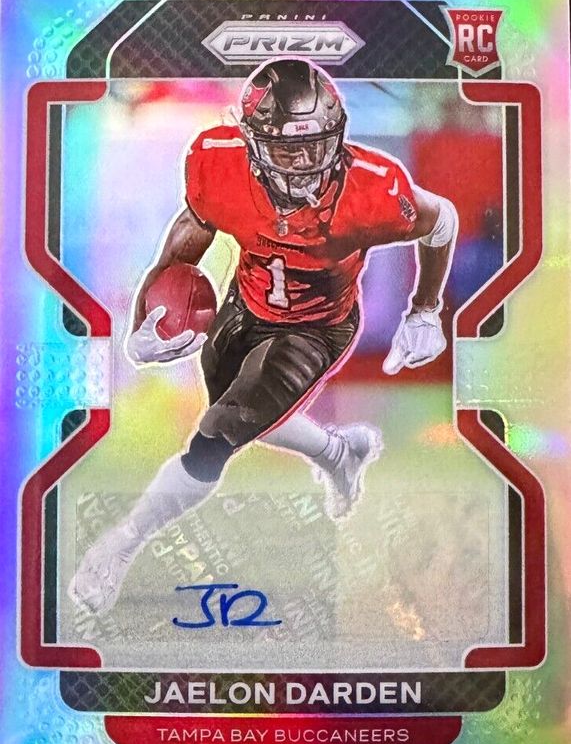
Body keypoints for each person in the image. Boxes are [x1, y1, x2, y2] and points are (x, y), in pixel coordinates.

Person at [69, 58, 457, 615]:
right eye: (286, 151)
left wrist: (425, 310)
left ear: (338, 136)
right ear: (251, 145)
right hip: (245, 305)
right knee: (239, 412)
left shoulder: (374, 187)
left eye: (317, 147)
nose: (304, 166)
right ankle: (339, 452)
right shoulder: (217, 162)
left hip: (316, 327)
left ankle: (122, 545)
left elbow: (442, 220)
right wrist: (142, 328)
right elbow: (185, 244)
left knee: (217, 433)